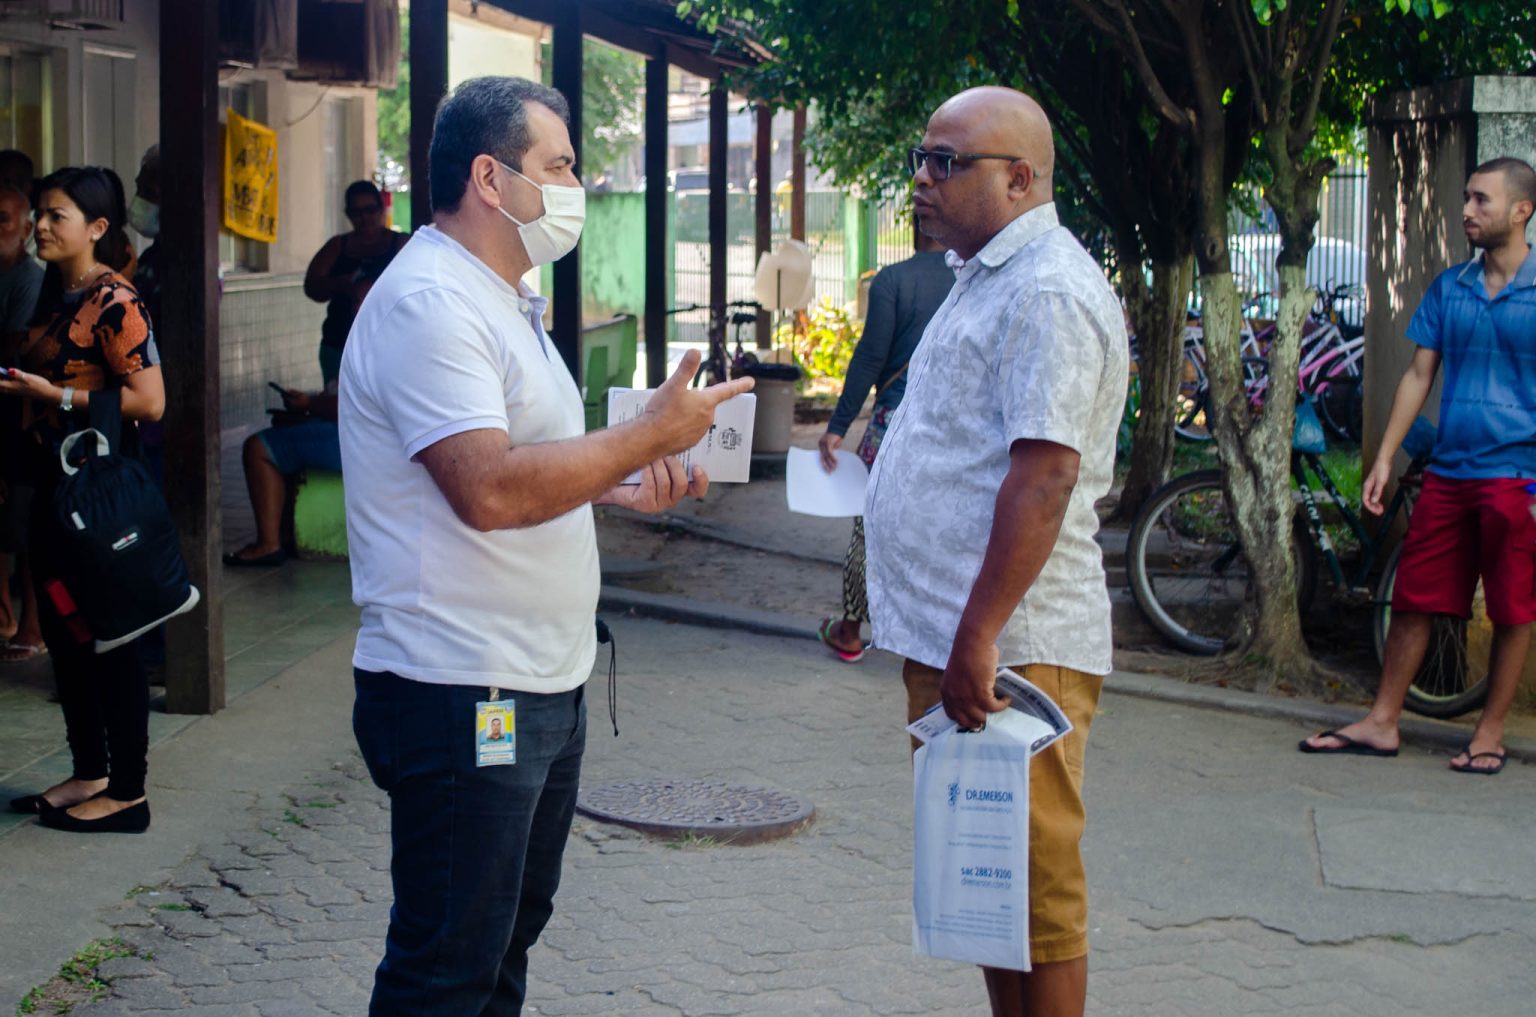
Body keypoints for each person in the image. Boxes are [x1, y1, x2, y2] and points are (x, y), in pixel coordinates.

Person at [340, 76, 753, 1015]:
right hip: (463, 685)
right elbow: (486, 488)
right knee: (447, 966)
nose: (575, 187)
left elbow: (524, 460)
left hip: (542, 680)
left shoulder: (502, 298)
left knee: (505, 936)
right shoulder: (430, 303)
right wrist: (645, 435)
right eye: (559, 166)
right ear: (490, 177)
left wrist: (618, 478)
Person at [864, 88, 1128, 1017]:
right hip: (968, 638)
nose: (922, 181)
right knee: (986, 889)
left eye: (946, 163)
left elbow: (1045, 475)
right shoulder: (985, 274)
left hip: (1015, 648)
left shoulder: (1048, 289)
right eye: (922, 158)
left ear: (1019, 180)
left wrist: (978, 636)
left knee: (1035, 895)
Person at [1301, 157, 1536, 775]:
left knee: (1512, 606)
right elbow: (1417, 374)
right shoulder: (1450, 286)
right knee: (1412, 597)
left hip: (1518, 477)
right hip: (1449, 473)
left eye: (1482, 200)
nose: (1467, 210)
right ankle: (1383, 721)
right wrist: (1384, 457)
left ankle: (1489, 734)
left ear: (1521, 211)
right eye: (1467, 198)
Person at [0, 166, 164, 833]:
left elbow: (150, 401)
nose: (40, 226)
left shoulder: (116, 300)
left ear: (96, 228)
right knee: (68, 639)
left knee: (111, 639)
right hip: (52, 491)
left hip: (98, 502)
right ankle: (89, 771)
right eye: (39, 214)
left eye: (56, 216)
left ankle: (128, 793)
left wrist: (56, 395)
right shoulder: (54, 290)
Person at [816, 227, 952, 661]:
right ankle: (940, 637)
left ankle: (850, 630)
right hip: (955, 431)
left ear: (915, 228)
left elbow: (871, 357)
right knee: (943, 530)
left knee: (870, 529)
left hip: (895, 425)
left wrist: (838, 426)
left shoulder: (893, 281)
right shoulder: (974, 279)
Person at [222, 384, 340, 566]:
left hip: (358, 440)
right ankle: (284, 533)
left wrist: (310, 403)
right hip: (374, 440)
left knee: (258, 447)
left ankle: (268, 545)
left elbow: (348, 406)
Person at [304, 179, 407, 386]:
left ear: (381, 209)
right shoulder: (337, 246)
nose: (365, 218)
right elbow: (311, 287)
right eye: (357, 212)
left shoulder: (401, 244)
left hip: (389, 346)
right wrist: (341, 285)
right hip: (339, 343)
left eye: (370, 210)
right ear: (348, 214)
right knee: (336, 400)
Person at [0, 184, 45, 661]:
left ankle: (32, 624)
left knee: (27, 526)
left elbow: (13, 351)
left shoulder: (29, 281)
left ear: (26, 228)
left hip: (19, 418)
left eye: (3, 220)